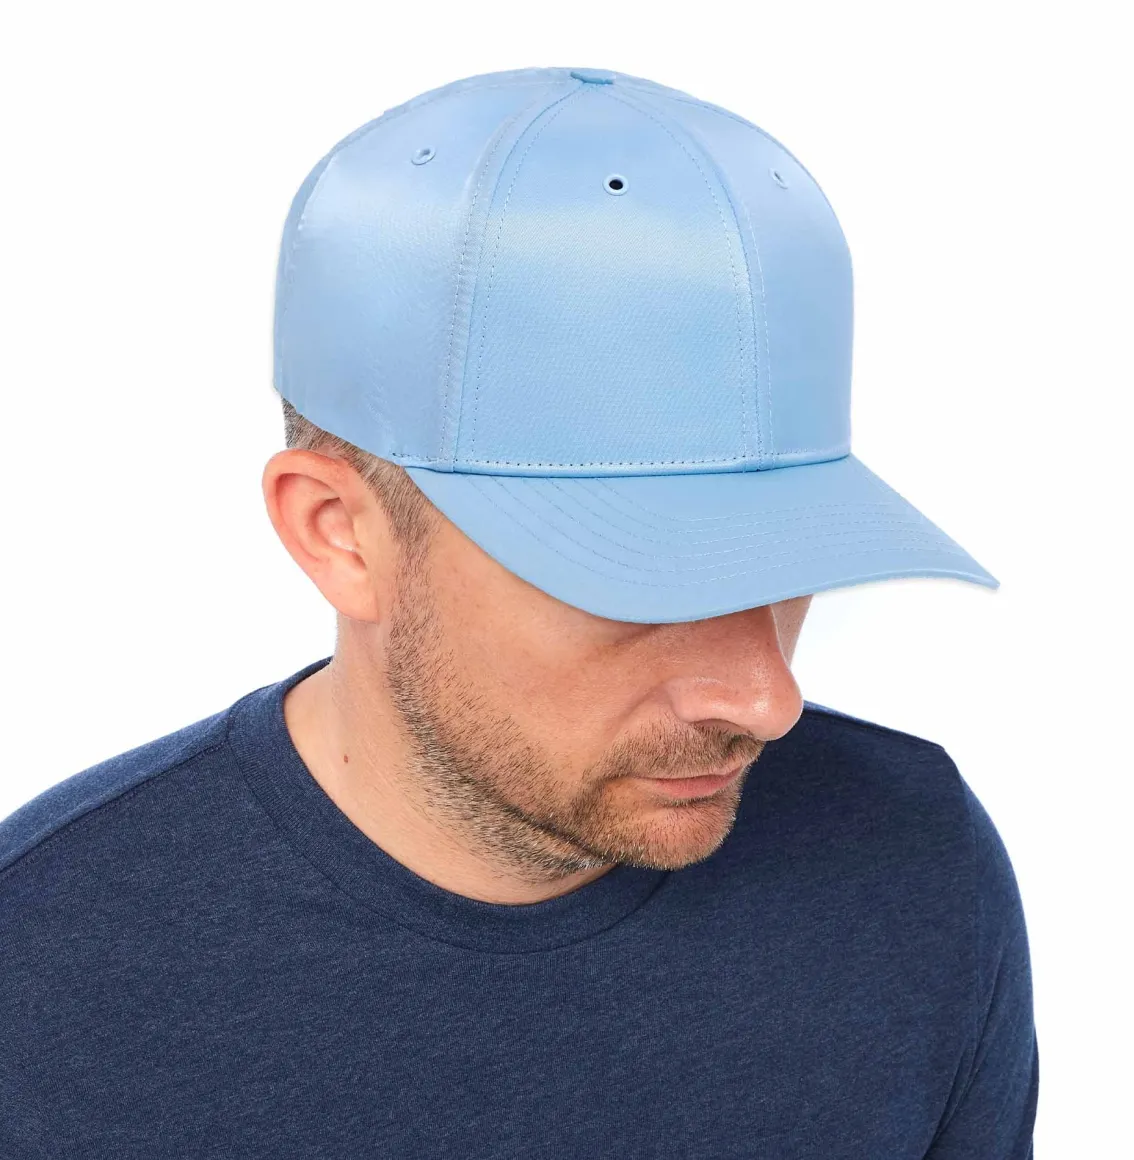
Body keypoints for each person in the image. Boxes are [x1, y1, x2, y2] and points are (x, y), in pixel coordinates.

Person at [0, 66, 1037, 1157]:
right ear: (339, 533)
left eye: (782, 561)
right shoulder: (43, 967)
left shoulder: (911, 863)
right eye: (633, 578)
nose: (766, 698)